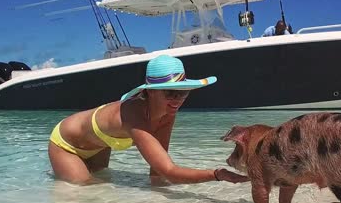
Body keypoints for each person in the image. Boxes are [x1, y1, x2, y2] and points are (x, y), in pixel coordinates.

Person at [48, 55, 251, 185]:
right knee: (85, 191)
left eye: (183, 92)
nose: (177, 99)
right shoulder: (134, 116)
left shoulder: (168, 113)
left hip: (98, 145)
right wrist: (217, 174)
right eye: (170, 93)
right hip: (67, 144)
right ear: (150, 92)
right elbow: (169, 171)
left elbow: (157, 173)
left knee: (103, 183)